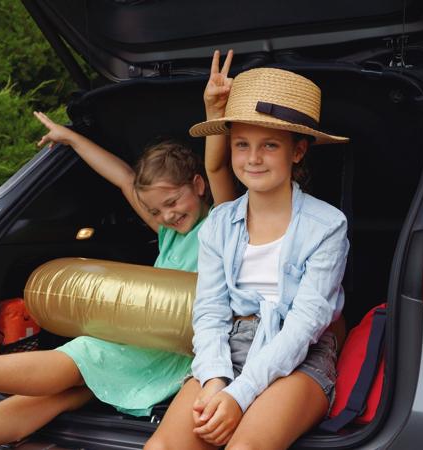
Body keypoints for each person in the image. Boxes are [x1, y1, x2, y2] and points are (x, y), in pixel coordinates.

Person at [0, 50, 240, 450]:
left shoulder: (222, 223)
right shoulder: (168, 232)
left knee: (84, 353)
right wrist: (73, 138)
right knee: (51, 394)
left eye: (174, 202)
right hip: (141, 347)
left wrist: (214, 110)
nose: (166, 215)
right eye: (156, 210)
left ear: (198, 186)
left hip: (180, 351)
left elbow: (218, 167)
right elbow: (123, 178)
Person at [147, 67, 350, 450]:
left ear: (298, 150)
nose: (253, 158)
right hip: (228, 347)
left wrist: (239, 396)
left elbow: (306, 324)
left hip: (300, 356)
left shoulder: (327, 226)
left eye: (270, 145)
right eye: (241, 144)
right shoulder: (218, 224)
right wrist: (215, 381)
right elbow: (208, 313)